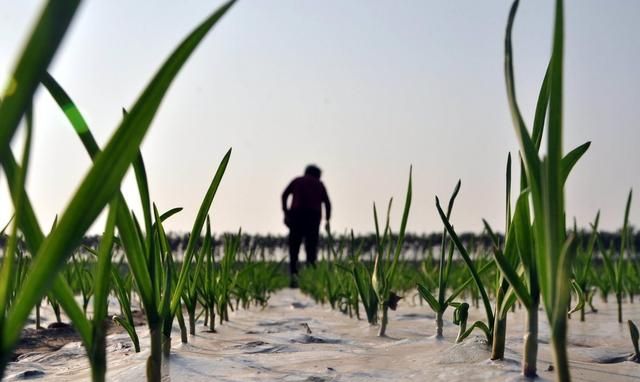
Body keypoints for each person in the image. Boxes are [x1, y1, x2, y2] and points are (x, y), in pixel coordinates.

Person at [281, 164, 331, 287]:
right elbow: (327, 203)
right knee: (311, 251)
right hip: (313, 219)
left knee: (294, 250)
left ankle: (294, 278)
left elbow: (284, 195)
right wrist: (327, 219)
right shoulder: (319, 185)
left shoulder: (297, 181)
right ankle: (310, 281)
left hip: (296, 217)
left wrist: (286, 212)